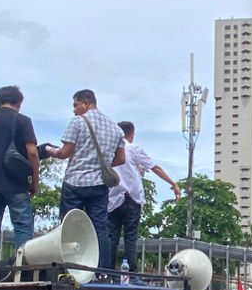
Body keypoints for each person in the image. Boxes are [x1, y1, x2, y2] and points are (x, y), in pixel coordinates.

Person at [40, 88, 125, 271]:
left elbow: (65, 153)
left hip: (75, 183)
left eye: (75, 105)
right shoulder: (116, 129)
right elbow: (121, 159)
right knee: (99, 228)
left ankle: (69, 268)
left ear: (86, 103)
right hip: (100, 185)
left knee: (69, 226)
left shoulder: (78, 122)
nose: (74, 109)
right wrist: (99, 163)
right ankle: (102, 271)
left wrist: (50, 150)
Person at [0, 84, 41, 258]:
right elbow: (32, 153)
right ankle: (23, 269)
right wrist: (35, 181)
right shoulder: (23, 121)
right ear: (19, 102)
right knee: (22, 226)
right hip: (16, 184)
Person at [108, 121, 180, 274]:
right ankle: (131, 273)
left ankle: (107, 272)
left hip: (113, 198)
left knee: (111, 237)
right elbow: (155, 168)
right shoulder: (134, 149)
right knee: (130, 237)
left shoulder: (109, 149)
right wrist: (173, 183)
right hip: (132, 197)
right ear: (131, 134)